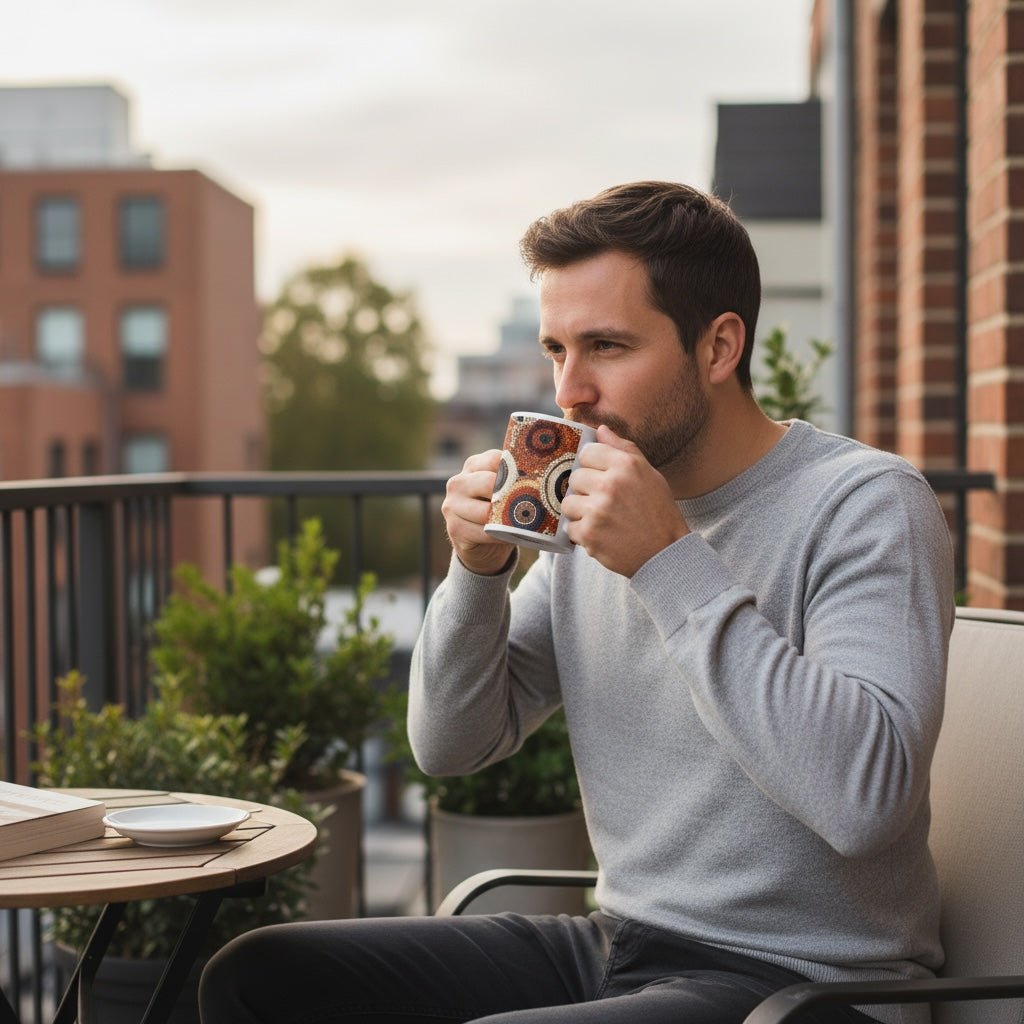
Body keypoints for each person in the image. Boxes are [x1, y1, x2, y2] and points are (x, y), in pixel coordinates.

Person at [199, 181, 955, 1024]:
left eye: (607, 346)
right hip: (621, 947)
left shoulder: (865, 505)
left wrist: (669, 560)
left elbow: (866, 800)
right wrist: (477, 573)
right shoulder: (586, 511)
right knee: (258, 976)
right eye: (558, 349)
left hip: (810, 987)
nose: (571, 392)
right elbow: (452, 746)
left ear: (718, 348)